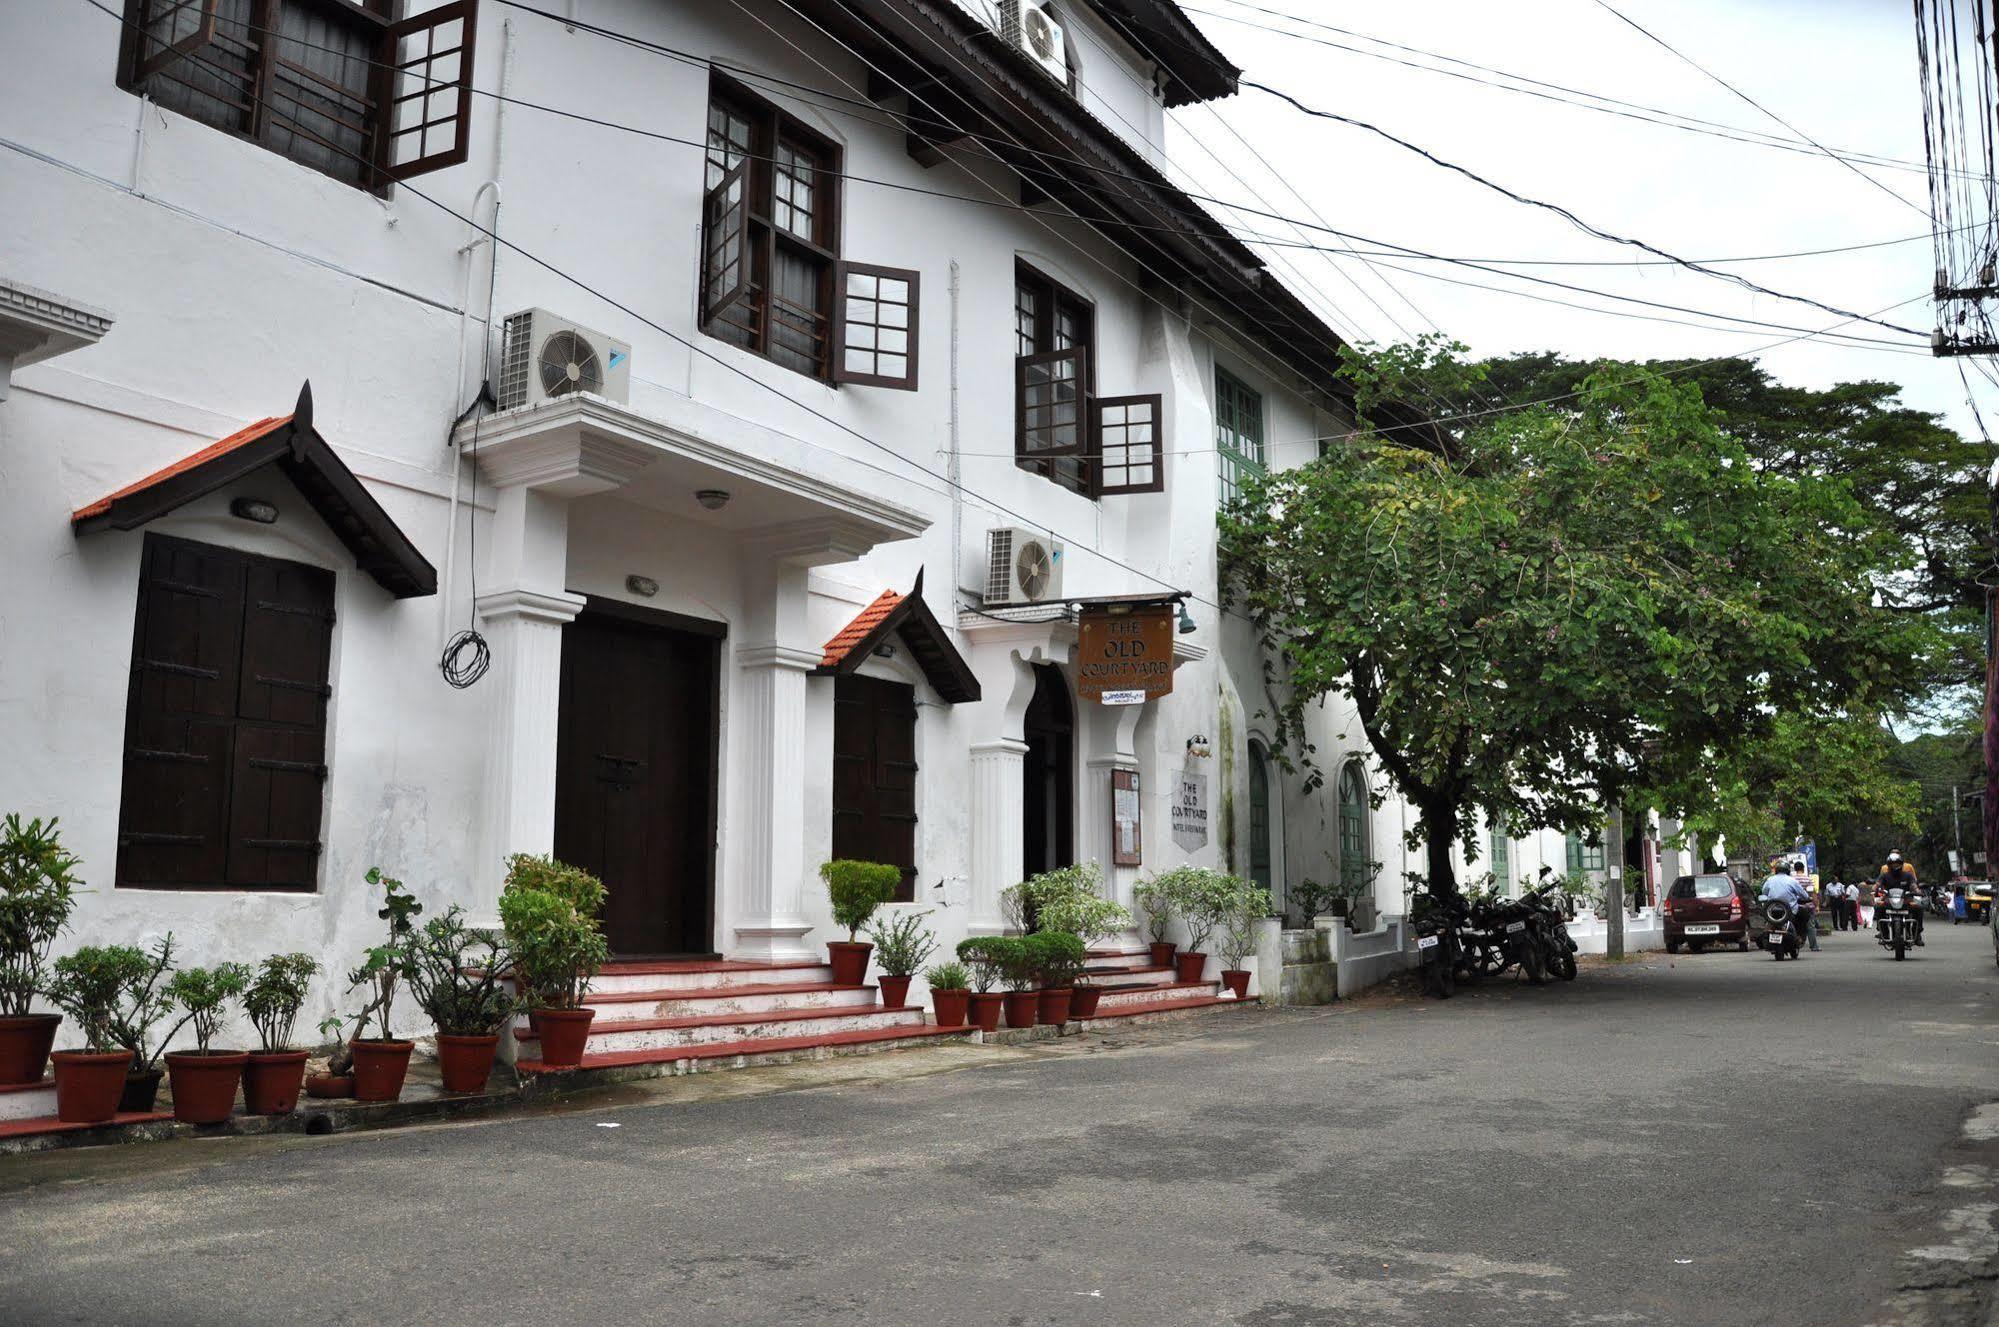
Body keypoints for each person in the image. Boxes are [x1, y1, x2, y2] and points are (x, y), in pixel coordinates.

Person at [1875, 851, 1924, 946]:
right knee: (1878, 907)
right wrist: (1874, 889)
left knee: (1919, 908)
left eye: (1897, 863)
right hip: (1888, 900)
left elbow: (1913, 885)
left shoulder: (1908, 875)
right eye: (1892, 864)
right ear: (1888, 865)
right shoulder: (1884, 875)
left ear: (1901, 864)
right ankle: (1883, 932)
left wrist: (1918, 891)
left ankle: (1916, 934)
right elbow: (1878, 884)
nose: (1895, 866)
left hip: (1906, 900)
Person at [1760, 864, 1811, 950]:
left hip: (1771, 911)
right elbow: (1804, 895)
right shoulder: (1792, 881)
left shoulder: (1769, 880)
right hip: (1790, 911)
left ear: (1776, 871)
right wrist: (1807, 898)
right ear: (1788, 871)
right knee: (1805, 914)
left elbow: (1764, 893)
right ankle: (1800, 937)